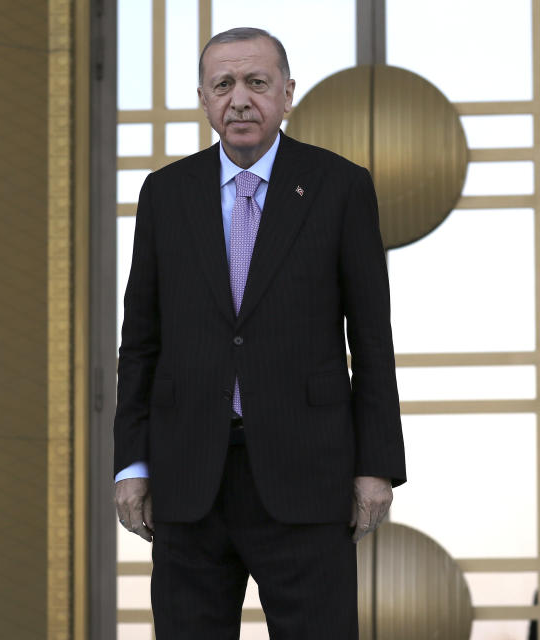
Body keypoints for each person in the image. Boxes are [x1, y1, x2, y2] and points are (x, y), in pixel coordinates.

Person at [114, 27, 405, 638]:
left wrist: (376, 466)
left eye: (256, 82)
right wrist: (131, 466)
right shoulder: (165, 193)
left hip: (307, 477)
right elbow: (140, 342)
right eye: (223, 85)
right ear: (203, 99)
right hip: (189, 478)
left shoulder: (340, 186)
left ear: (288, 93)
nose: (239, 99)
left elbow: (372, 340)